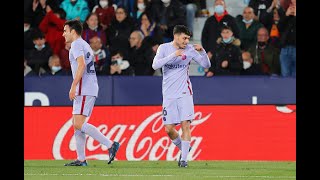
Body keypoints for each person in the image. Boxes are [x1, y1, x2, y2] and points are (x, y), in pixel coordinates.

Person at [62, 19, 120, 166]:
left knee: (79, 124)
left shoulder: (76, 44)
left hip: (84, 87)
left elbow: (81, 65)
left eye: (65, 31)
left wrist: (73, 86)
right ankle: (81, 159)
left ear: (73, 31)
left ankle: (110, 144)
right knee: (77, 124)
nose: (63, 34)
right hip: (89, 86)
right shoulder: (85, 44)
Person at [152, 25, 210, 167]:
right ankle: (184, 148)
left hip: (185, 93)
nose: (186, 41)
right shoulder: (164, 48)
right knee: (169, 129)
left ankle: (183, 160)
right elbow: (155, 65)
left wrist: (203, 52)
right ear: (176, 36)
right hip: (168, 95)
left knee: (186, 125)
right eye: (184, 38)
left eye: (188, 39)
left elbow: (206, 64)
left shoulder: (190, 50)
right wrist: (174, 55)